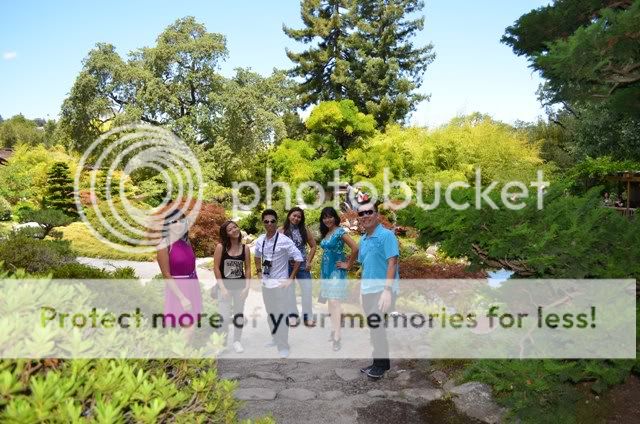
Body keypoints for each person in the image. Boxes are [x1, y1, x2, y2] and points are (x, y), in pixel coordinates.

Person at [356, 201, 400, 379]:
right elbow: (365, 267)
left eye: (369, 212)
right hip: (368, 290)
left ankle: (380, 366)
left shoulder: (386, 235)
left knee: (377, 325)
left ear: (376, 215)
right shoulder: (363, 239)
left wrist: (387, 291)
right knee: (374, 327)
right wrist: (360, 291)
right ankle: (380, 362)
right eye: (361, 214)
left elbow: (392, 262)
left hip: (383, 290)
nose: (365, 216)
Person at [254, 209, 304, 358]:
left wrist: (291, 278)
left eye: (272, 221)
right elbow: (256, 255)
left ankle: (283, 345)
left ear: (276, 222)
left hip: (280, 284)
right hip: (266, 283)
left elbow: (299, 257)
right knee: (270, 314)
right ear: (263, 223)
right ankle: (275, 339)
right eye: (266, 221)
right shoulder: (260, 239)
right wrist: (258, 272)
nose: (269, 224)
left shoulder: (284, 240)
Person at [156, 209, 203, 341]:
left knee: (189, 326)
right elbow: (166, 275)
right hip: (178, 289)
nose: (178, 224)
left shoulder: (186, 242)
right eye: (173, 221)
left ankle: (182, 358)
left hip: (192, 286)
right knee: (189, 326)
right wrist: (182, 298)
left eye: (181, 221)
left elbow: (191, 266)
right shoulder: (163, 245)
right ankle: (176, 356)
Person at [319, 206, 358, 351]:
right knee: (330, 301)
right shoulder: (327, 232)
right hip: (326, 270)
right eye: (325, 217)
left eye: (330, 216)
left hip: (336, 269)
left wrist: (348, 264)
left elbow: (355, 247)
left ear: (335, 217)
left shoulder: (340, 231)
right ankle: (333, 328)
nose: (327, 219)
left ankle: (337, 336)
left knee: (335, 301)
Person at [212, 220, 251, 353]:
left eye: (235, 227)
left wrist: (247, 288)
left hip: (240, 287)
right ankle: (221, 344)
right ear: (226, 234)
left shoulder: (245, 248)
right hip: (224, 288)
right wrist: (222, 287)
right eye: (230, 229)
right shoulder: (220, 247)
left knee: (238, 315)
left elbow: (248, 269)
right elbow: (216, 268)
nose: (234, 230)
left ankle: (237, 341)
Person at [280, 207, 317, 327]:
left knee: (307, 290)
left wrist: (309, 261)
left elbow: (313, 246)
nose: (296, 218)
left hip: (301, 265)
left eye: (299, 217)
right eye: (294, 215)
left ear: (301, 219)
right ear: (289, 215)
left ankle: (307, 317)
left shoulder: (304, 230)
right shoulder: (281, 231)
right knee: (289, 291)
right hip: (288, 266)